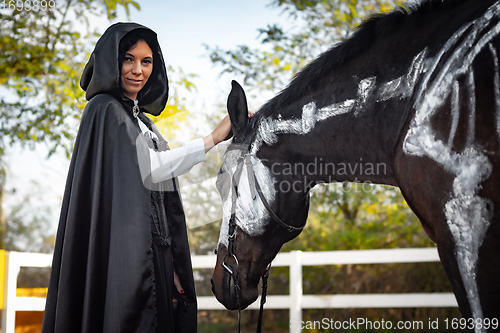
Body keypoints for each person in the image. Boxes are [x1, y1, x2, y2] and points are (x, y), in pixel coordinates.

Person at [41, 22, 231, 333]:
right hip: (123, 251)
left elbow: (156, 194)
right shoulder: (104, 110)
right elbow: (152, 169)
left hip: (154, 249)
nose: (137, 70)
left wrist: (167, 261)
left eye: (146, 61)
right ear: (111, 61)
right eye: (128, 58)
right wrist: (213, 138)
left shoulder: (142, 121)